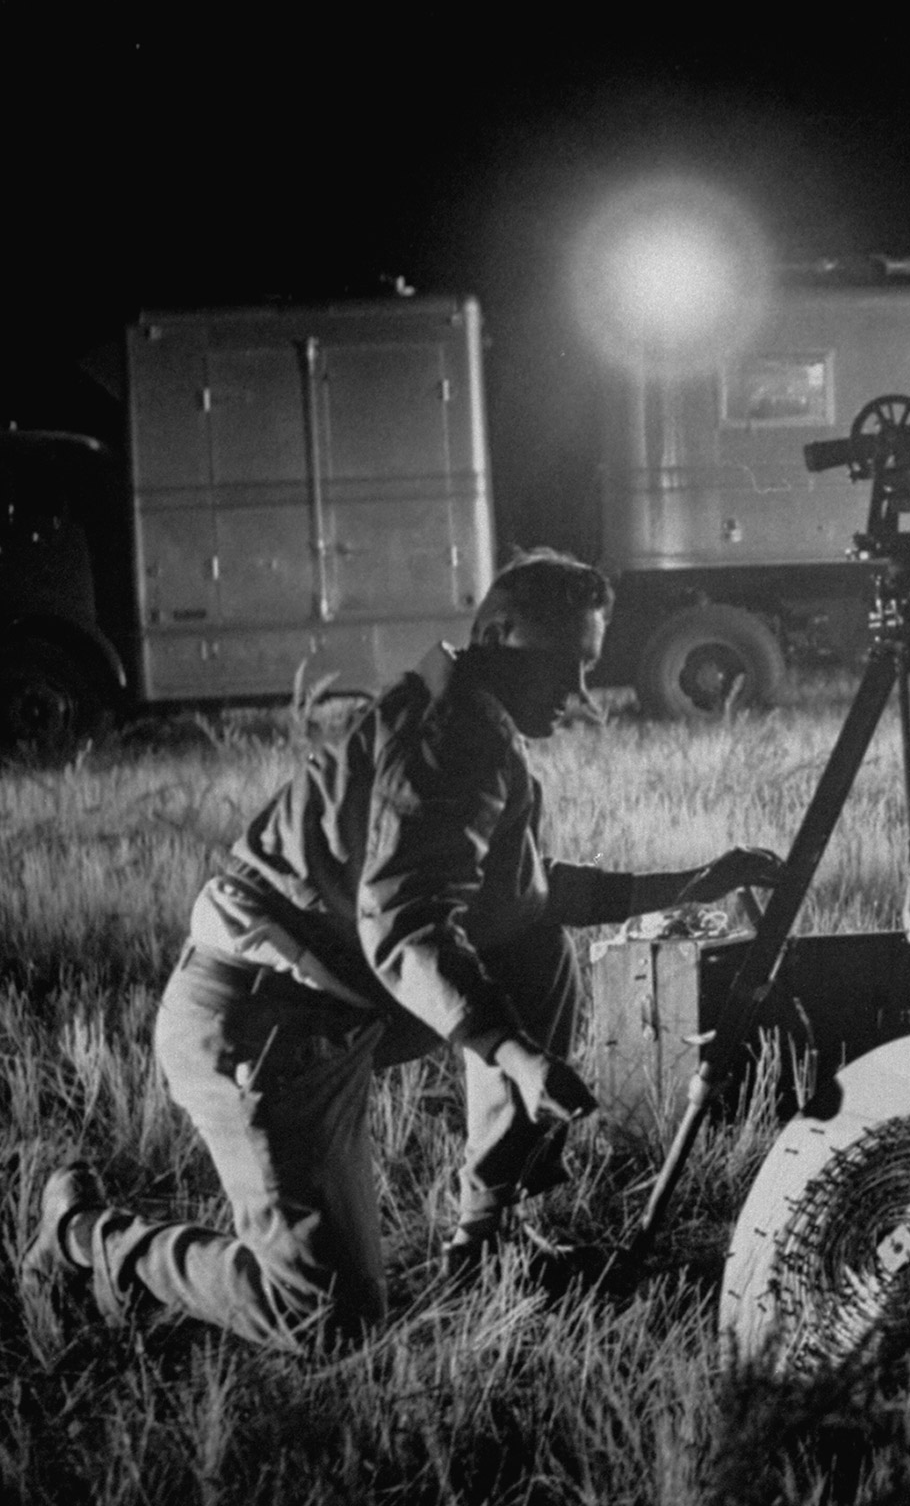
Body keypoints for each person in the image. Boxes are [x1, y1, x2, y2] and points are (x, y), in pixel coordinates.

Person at [22, 550, 783, 1351]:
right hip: (260, 1026)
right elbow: (408, 931)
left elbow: (517, 896)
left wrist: (690, 884)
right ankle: (84, 1238)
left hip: (335, 1008)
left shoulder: (467, 714)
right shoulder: (452, 738)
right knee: (323, 1318)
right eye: (565, 666)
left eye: (587, 668)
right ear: (495, 632)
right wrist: (519, 1059)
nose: (580, 696)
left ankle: (487, 1243)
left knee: (532, 951)